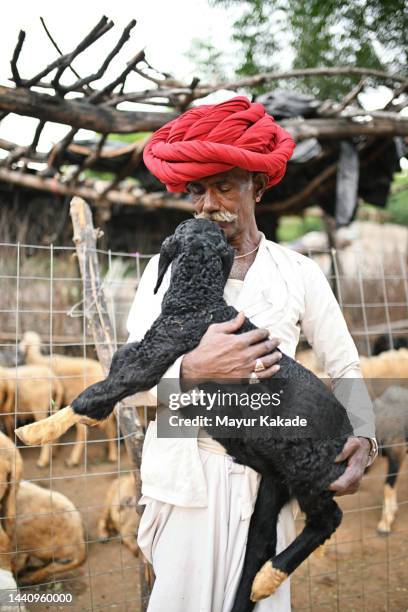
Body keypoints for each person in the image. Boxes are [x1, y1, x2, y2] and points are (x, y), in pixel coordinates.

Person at [126, 96, 377, 612]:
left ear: (257, 187)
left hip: (269, 479)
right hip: (186, 474)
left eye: (225, 187)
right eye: (198, 191)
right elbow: (132, 378)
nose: (209, 204)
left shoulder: (298, 272)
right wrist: (196, 368)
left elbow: (344, 363)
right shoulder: (164, 268)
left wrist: (366, 435)